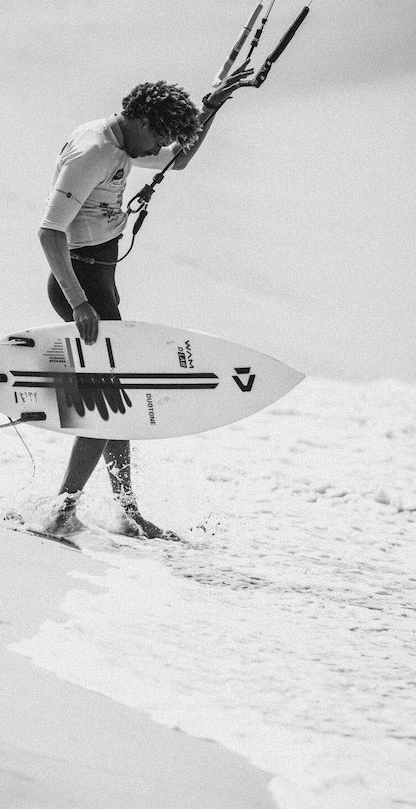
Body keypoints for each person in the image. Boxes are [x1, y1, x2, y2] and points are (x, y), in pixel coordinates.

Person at [38, 73, 249, 538]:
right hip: (81, 283)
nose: (158, 147)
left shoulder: (122, 143)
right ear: (142, 121)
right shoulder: (92, 151)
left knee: (117, 400)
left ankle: (125, 510)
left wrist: (211, 109)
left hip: (99, 280)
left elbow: (178, 160)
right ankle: (63, 510)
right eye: (158, 136)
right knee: (110, 404)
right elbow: (49, 232)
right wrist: (79, 303)